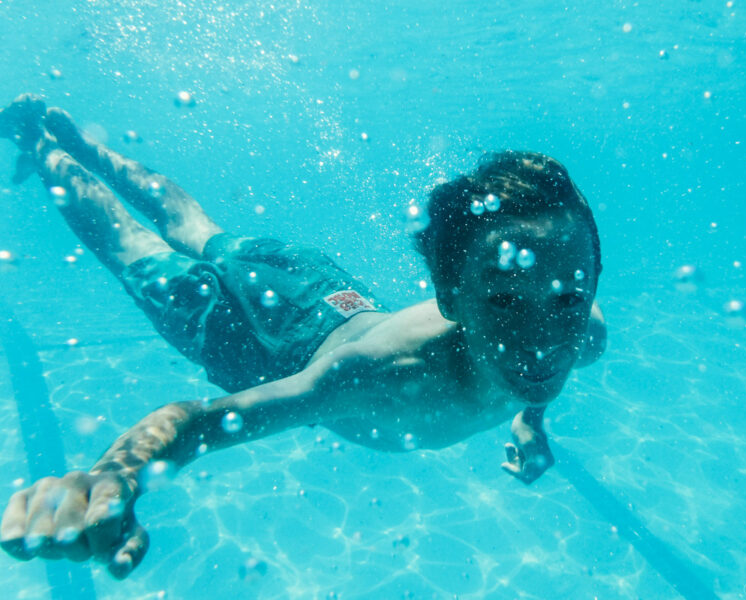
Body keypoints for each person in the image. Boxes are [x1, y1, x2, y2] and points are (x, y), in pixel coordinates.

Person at [0, 94, 607, 579]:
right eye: (503, 300)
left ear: (591, 286)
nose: (543, 338)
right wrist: (115, 476)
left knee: (203, 232)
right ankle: (45, 147)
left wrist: (532, 421)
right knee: (139, 253)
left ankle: (85, 149)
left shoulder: (583, 331)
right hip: (263, 347)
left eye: (570, 297)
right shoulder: (382, 377)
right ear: (450, 299)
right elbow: (200, 421)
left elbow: (547, 354)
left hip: (322, 287)